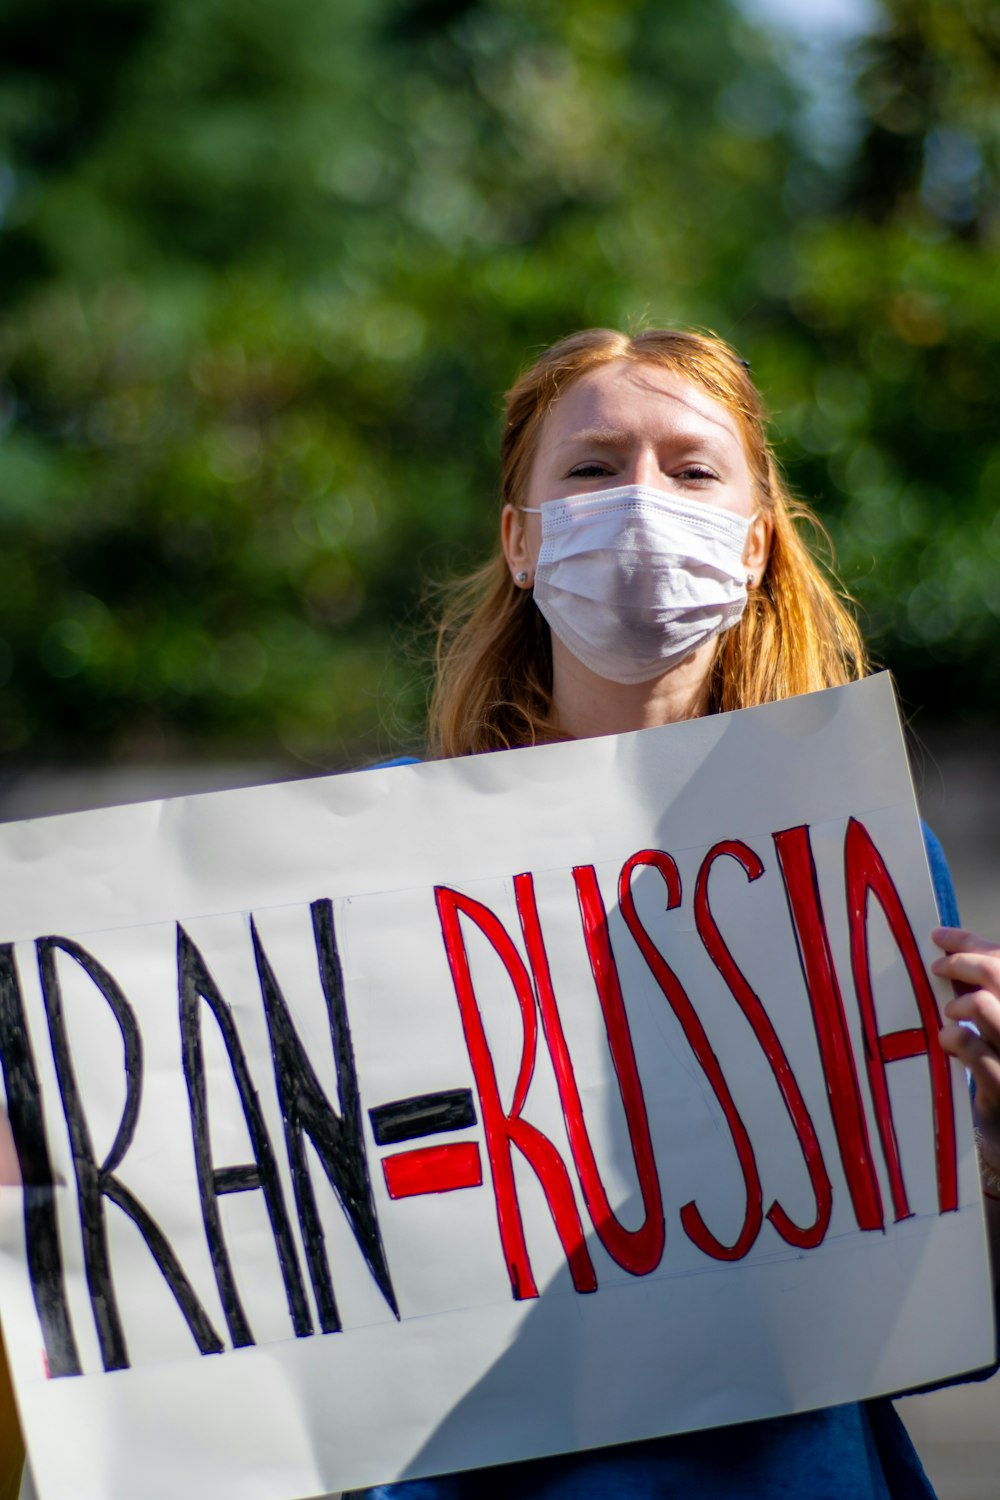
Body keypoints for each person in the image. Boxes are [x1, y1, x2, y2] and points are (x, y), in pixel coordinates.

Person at [355, 326, 1000, 1499]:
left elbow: (935, 1316)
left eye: (691, 469)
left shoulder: (869, 857)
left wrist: (999, 1148)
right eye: (592, 468)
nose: (640, 504)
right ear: (519, 540)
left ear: (754, 545)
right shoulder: (369, 860)